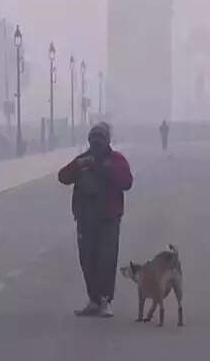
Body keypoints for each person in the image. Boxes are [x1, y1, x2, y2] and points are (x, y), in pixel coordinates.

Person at [58, 122, 133, 318]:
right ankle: (93, 300)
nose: (96, 144)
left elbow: (126, 182)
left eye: (100, 140)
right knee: (87, 260)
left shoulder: (116, 160)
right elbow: (63, 177)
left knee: (106, 259)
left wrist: (100, 168)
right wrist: (78, 165)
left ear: (107, 141)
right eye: (93, 141)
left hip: (109, 219)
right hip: (85, 218)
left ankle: (106, 300)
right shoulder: (83, 159)